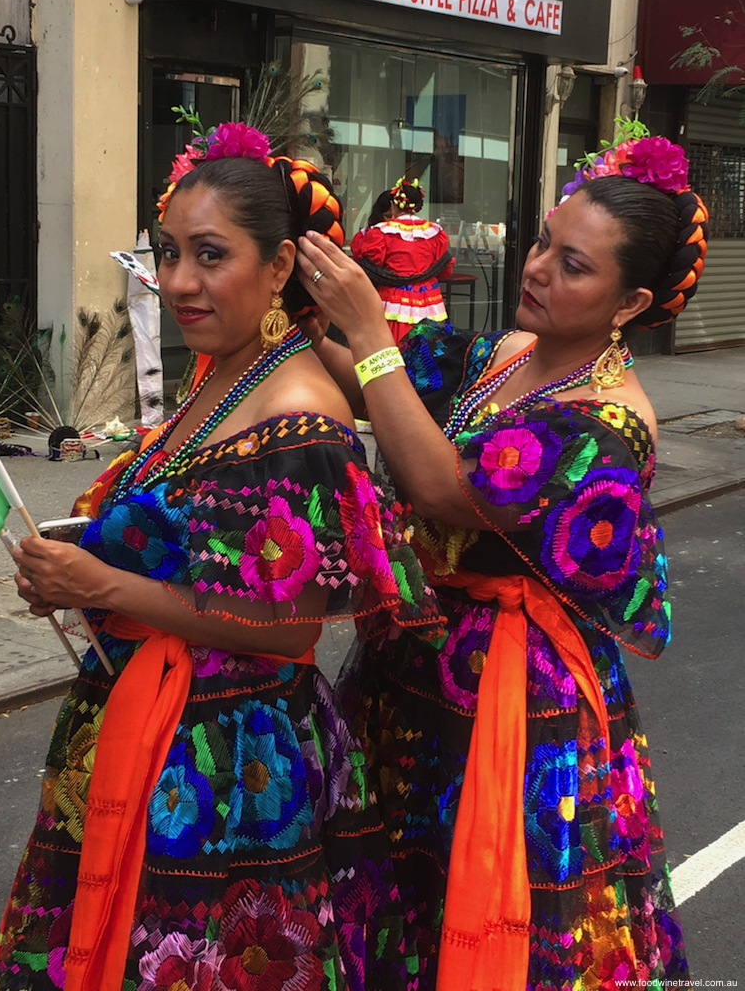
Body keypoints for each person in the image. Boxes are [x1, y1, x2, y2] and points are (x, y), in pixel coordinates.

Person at [0, 122, 440, 991]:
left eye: (210, 255)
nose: (179, 283)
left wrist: (104, 581)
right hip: (150, 723)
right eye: (168, 255)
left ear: (280, 269)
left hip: (235, 766)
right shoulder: (224, 376)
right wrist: (76, 565)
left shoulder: (302, 414)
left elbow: (282, 628)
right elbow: (196, 553)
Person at [296, 130, 708, 988]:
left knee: (486, 893)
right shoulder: (507, 354)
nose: (538, 268)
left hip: (512, 697)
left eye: (574, 265)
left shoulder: (609, 419)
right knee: (400, 877)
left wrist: (369, 329)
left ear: (629, 304)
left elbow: (442, 488)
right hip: (413, 662)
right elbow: (385, 388)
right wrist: (304, 323)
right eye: (544, 243)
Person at [350, 178, 453, 345]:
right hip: (430, 298)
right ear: (418, 206)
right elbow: (446, 270)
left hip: (393, 299)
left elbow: (370, 265)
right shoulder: (435, 232)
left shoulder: (380, 232)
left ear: (393, 206)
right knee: (429, 353)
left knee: (391, 349)